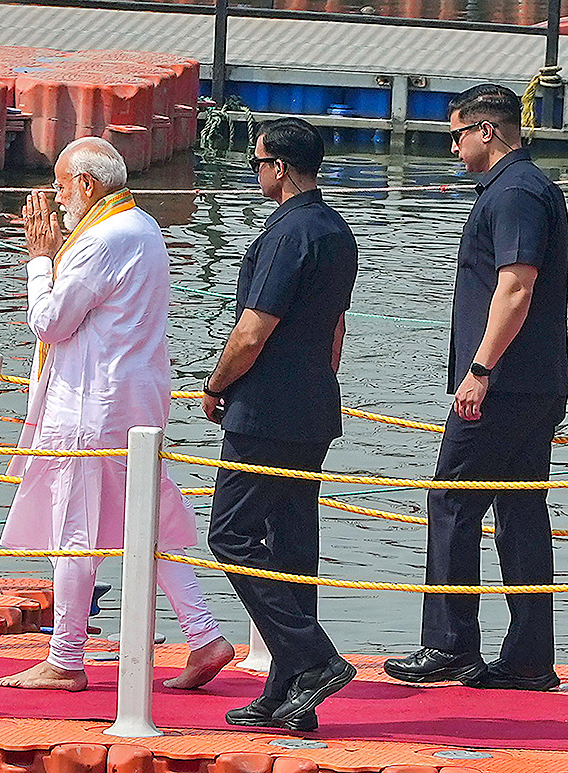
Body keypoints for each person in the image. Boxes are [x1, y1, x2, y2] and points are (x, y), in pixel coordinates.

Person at [0, 136, 235, 692]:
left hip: (92, 404)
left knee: (75, 525)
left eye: (60, 187)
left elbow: (51, 321)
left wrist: (38, 261)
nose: (55, 201)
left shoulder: (100, 239)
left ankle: (65, 658)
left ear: (87, 185)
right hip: (134, 397)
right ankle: (203, 636)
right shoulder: (143, 227)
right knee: (145, 522)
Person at [384, 84, 568, 691]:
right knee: (519, 511)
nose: (453, 146)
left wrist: (481, 370)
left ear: (486, 132)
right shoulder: (529, 187)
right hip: (533, 382)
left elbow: (516, 286)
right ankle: (527, 657)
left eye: (457, 134)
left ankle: (449, 645)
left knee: (453, 500)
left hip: (504, 384)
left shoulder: (514, 192)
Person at [202, 117, 358, 730]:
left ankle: (313, 658)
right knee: (293, 545)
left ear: (282, 168)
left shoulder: (286, 233)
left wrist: (216, 386)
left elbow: (253, 328)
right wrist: (318, 387)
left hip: (265, 410)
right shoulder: (336, 231)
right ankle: (289, 688)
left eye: (258, 159)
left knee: (232, 536)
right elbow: (336, 329)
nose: (255, 169)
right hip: (312, 406)